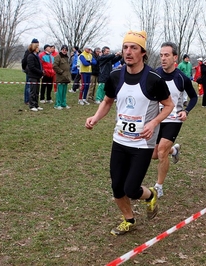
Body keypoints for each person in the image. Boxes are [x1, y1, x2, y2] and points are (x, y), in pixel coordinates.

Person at [85, 30, 174, 236]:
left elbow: (169, 105)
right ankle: (129, 220)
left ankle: (150, 194)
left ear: (143, 52)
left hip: (142, 143)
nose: (128, 52)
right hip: (120, 140)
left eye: (134, 48)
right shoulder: (116, 76)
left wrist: (153, 123)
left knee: (131, 189)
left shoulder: (154, 79)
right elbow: (107, 101)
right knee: (117, 187)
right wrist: (95, 118)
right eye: (125, 47)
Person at [152, 42, 198, 198]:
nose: (163, 58)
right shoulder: (155, 74)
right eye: (161, 55)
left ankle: (159, 186)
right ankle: (175, 150)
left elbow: (194, 97)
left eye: (167, 55)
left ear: (175, 57)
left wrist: (186, 111)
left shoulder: (182, 78)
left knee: (161, 151)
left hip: (173, 118)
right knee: (154, 154)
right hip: (157, 118)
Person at [26, 41, 44, 112]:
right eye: (37, 47)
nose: (38, 48)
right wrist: (40, 72)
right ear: (34, 48)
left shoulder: (37, 56)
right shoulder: (30, 56)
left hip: (37, 76)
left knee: (37, 92)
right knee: (33, 91)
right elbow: (32, 67)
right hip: (33, 76)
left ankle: (36, 104)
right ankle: (32, 105)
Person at [53, 45, 71, 110]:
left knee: (64, 92)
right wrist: (61, 72)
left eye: (66, 50)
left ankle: (63, 103)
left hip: (66, 78)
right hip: (60, 77)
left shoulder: (67, 58)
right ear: (61, 50)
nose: (64, 51)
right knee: (59, 92)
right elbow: (54, 66)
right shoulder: (58, 57)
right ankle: (58, 104)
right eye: (63, 49)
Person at [21, 38, 39, 105]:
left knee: (33, 87)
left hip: (34, 72)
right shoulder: (28, 52)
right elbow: (24, 61)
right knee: (28, 86)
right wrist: (25, 69)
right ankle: (27, 100)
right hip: (29, 71)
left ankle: (32, 99)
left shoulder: (37, 53)